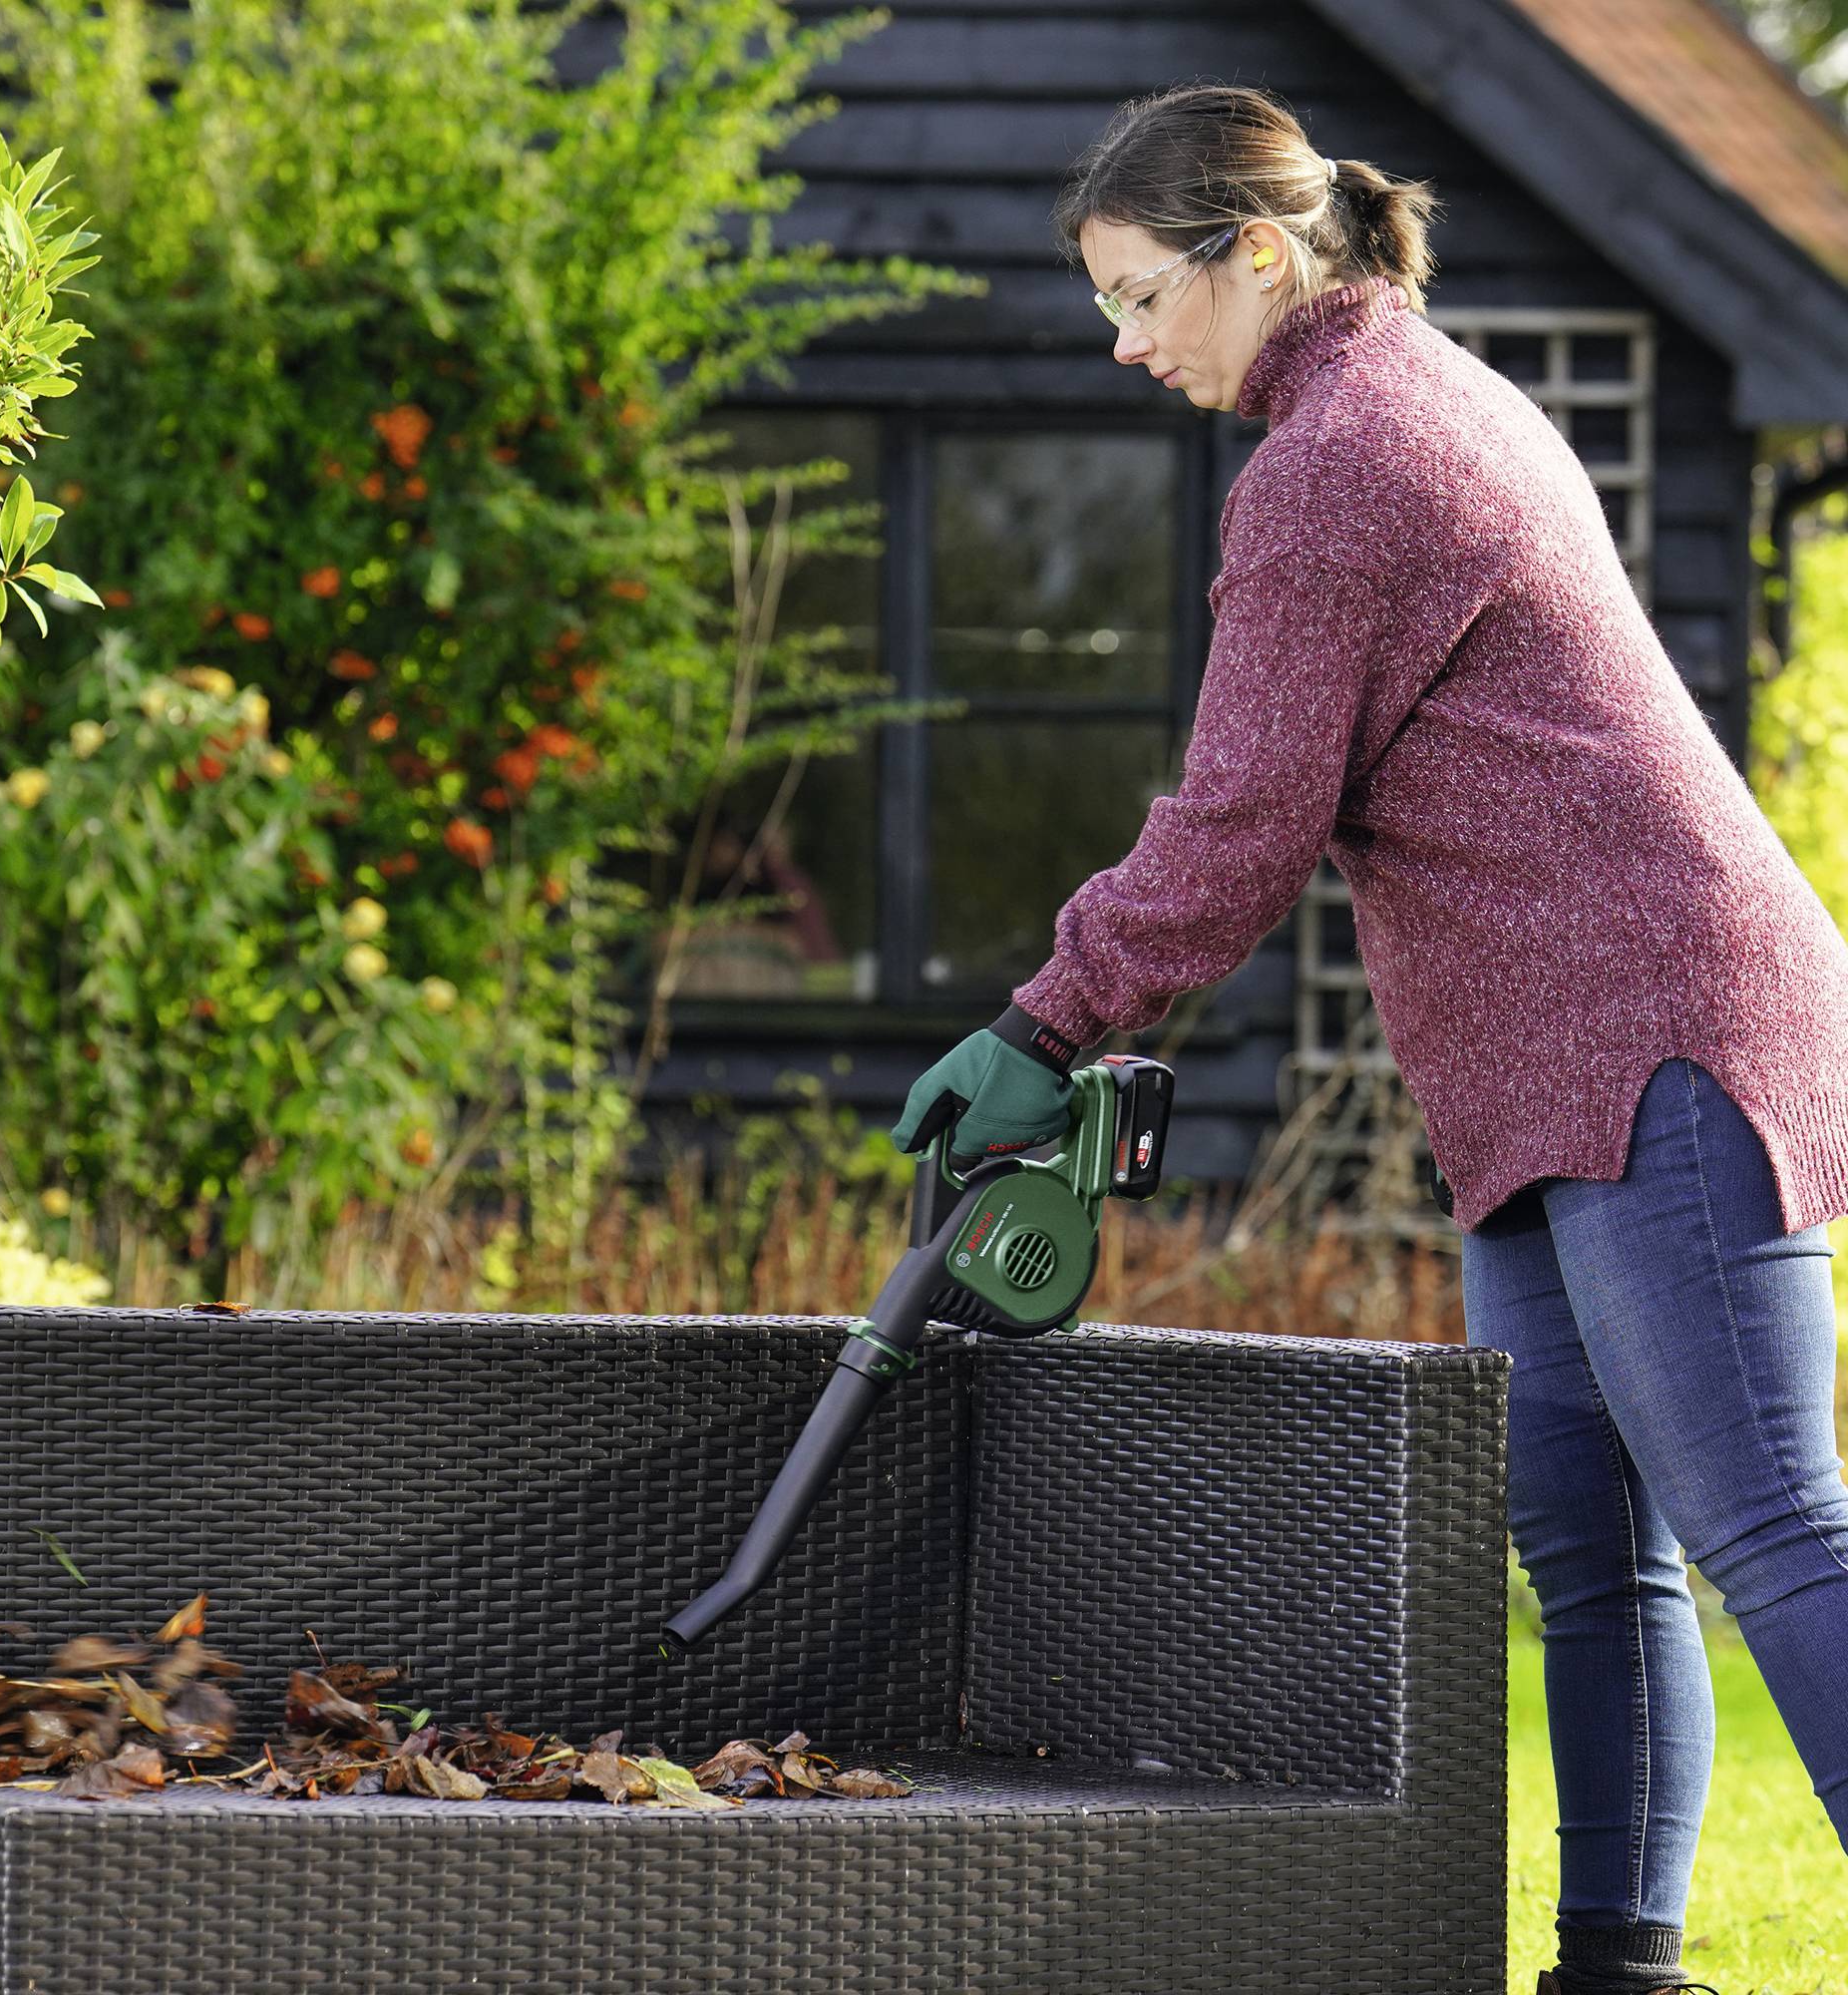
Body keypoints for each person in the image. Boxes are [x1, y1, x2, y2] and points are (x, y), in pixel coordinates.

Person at [891, 81, 1848, 1995]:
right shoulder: (1410, 398)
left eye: (1142, 293)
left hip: (1653, 1028)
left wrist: (1046, 1017)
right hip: (1540, 1062)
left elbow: (1241, 827)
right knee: (1591, 1544)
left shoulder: (1342, 464)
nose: (1126, 343)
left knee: (1766, 1523)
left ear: (1258, 252)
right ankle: (1620, 1963)